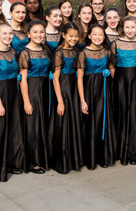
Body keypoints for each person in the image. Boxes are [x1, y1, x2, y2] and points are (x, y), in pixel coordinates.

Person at [0, 23, 24, 181]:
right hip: (0, 94)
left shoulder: (13, 51)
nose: (8, 36)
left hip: (13, 93)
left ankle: (13, 163)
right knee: (0, 130)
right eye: (5, 34)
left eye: (10, 34)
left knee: (14, 128)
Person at [111, 16, 136, 165]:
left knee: (134, 113)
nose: (130, 30)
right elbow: (111, 65)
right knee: (121, 112)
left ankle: (133, 150)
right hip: (120, 82)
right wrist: (118, 79)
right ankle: (121, 149)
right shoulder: (115, 44)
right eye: (127, 27)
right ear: (122, 28)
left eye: (133, 27)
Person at [78, 24, 116, 169]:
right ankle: (90, 158)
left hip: (104, 91)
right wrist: (82, 100)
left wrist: (111, 74)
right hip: (89, 91)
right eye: (95, 34)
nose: (98, 37)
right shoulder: (83, 53)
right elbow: (80, 79)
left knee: (103, 122)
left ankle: (103, 156)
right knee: (90, 123)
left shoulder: (107, 52)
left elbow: (113, 72)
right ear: (89, 36)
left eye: (101, 34)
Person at [19, 21, 52, 173]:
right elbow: (23, 79)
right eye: (35, 32)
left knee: (44, 123)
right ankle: (34, 161)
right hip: (32, 90)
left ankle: (44, 157)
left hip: (46, 89)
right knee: (33, 125)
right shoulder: (25, 53)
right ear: (28, 34)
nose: (39, 35)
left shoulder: (45, 50)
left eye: (41, 32)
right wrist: (26, 101)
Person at [50, 22, 82, 174]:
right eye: (71, 36)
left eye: (76, 36)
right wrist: (60, 101)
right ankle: (63, 160)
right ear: (63, 35)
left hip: (74, 88)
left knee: (74, 122)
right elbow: (55, 79)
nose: (74, 39)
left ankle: (75, 158)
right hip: (63, 89)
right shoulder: (59, 52)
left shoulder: (76, 50)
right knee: (64, 124)